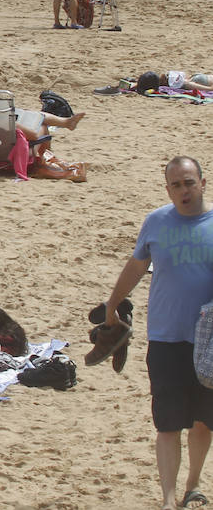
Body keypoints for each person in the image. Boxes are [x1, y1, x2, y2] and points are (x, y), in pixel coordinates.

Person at [101, 157, 213, 510]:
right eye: (176, 185)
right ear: (168, 189)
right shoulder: (156, 222)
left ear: (202, 183)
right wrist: (112, 305)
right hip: (165, 337)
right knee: (167, 423)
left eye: (189, 182)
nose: (184, 190)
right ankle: (167, 500)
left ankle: (193, 485)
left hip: (208, 342)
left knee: (203, 422)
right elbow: (136, 266)